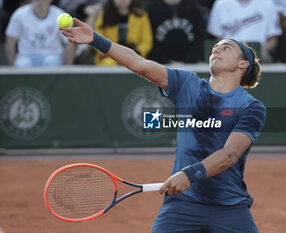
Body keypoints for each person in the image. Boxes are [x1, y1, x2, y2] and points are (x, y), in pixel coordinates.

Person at [60, 17, 266, 232]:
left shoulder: (251, 107)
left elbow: (230, 154)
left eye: (226, 48)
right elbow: (139, 64)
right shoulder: (187, 84)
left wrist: (188, 174)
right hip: (182, 205)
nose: (216, 51)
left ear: (243, 64)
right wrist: (96, 40)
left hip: (229, 207)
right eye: (215, 48)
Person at [207, 0, 282, 63]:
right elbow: (217, 37)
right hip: (229, 59)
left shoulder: (267, 3)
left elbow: (273, 38)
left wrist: (261, 52)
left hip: (259, 58)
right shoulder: (221, 4)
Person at [5, 0, 75, 67]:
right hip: (25, 56)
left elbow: (69, 42)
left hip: (52, 55)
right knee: (21, 64)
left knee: (52, 62)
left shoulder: (61, 16)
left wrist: (67, 68)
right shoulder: (19, 14)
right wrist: (12, 65)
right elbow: (10, 40)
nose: (40, 1)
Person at [93, 0, 152, 66]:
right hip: (109, 58)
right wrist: (111, 52)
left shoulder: (141, 15)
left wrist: (137, 53)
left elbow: (147, 42)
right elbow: (97, 39)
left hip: (134, 57)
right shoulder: (104, 14)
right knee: (108, 64)